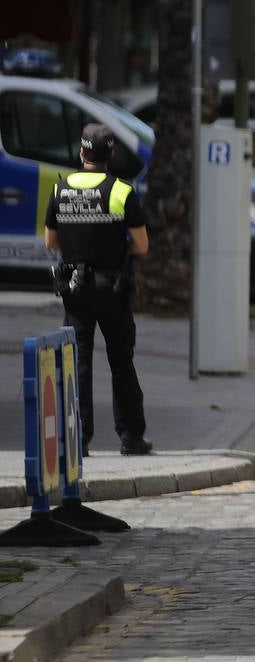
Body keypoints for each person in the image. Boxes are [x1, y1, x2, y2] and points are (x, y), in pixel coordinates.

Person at [44, 124, 151, 457]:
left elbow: (51, 242)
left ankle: (79, 439)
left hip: (74, 288)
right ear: (112, 156)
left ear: (82, 152)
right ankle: (131, 437)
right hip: (111, 288)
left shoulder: (60, 190)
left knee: (78, 363)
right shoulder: (121, 191)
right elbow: (142, 246)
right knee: (121, 361)